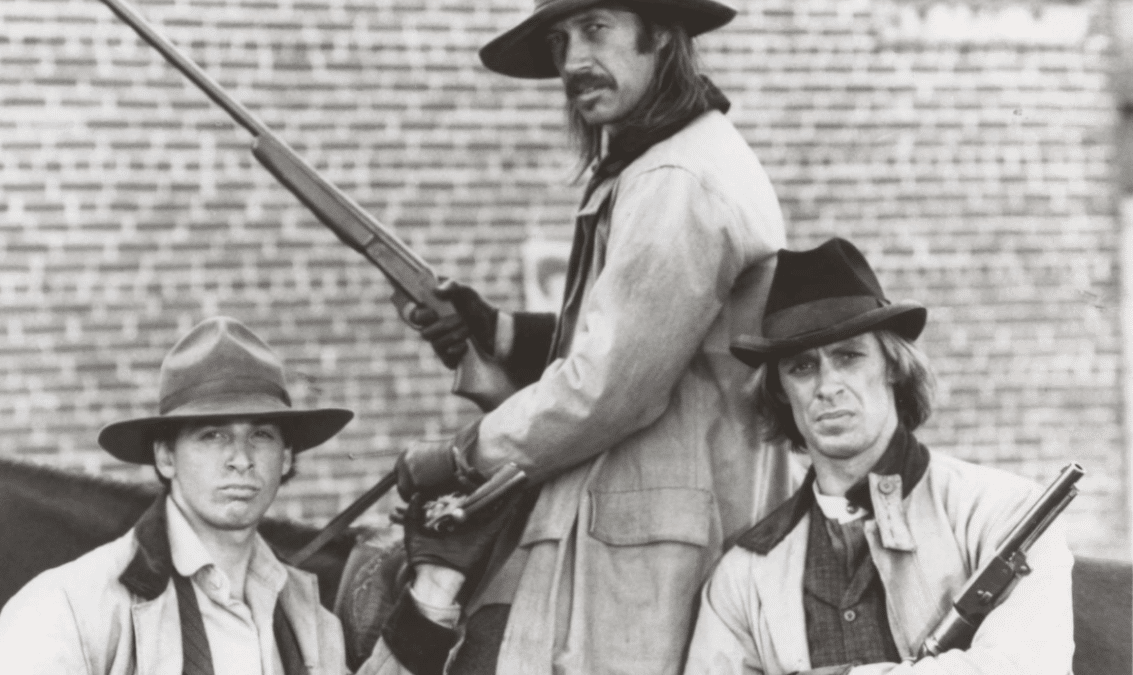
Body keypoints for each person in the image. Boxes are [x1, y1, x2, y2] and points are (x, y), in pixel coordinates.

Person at [394, 0, 793, 672]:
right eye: (560, 39)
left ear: (661, 35)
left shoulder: (675, 179)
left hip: (653, 561)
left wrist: (465, 456)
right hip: (632, 539)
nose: (574, 60)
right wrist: (497, 330)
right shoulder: (662, 164)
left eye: (597, 29)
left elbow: (611, 389)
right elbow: (639, 339)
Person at [0, 316, 498, 675]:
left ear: (287, 458)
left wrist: (433, 587)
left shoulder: (308, 619)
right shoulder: (71, 605)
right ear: (165, 456)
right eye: (213, 435)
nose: (241, 459)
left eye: (261, 436)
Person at [683, 238, 1075, 675]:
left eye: (848, 357)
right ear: (780, 391)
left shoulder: (1002, 512)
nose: (827, 386)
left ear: (892, 365)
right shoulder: (746, 574)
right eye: (802, 367)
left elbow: (1025, 668)